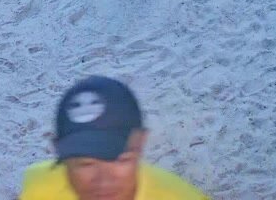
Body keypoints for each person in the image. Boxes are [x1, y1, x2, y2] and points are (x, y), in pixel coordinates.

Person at [20, 76, 211, 199]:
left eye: (120, 159)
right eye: (85, 164)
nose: (103, 182)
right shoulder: (38, 188)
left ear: (141, 142)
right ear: (57, 149)